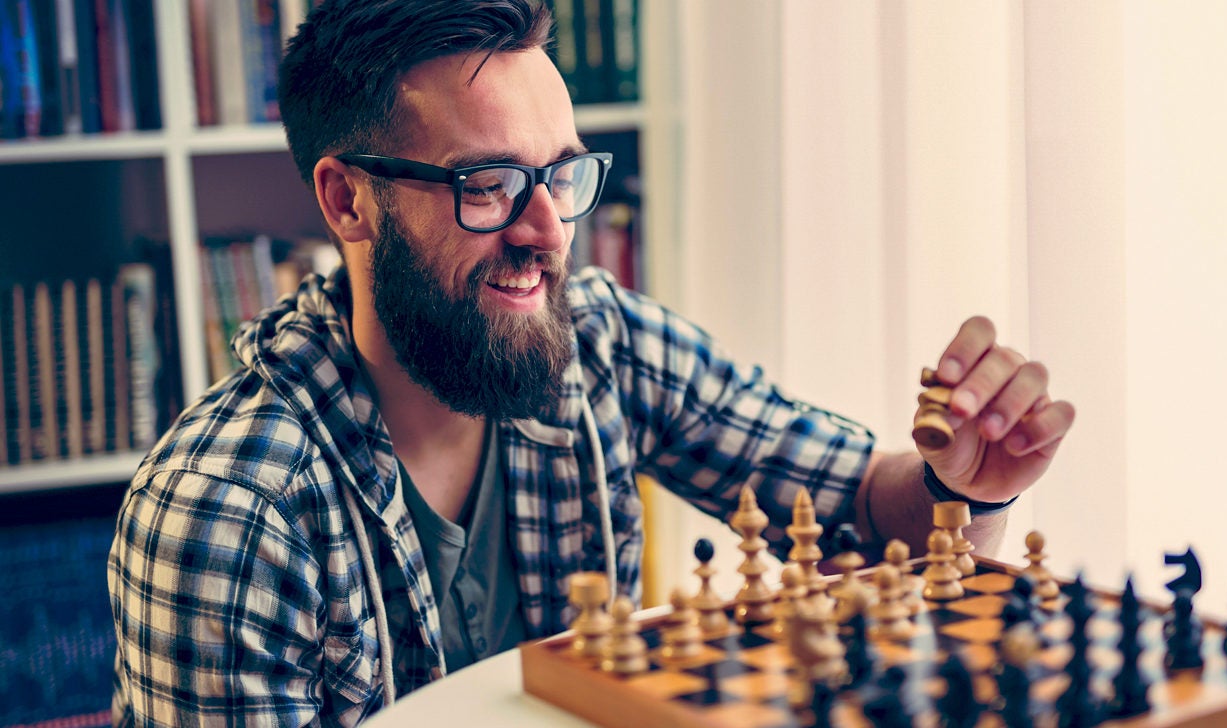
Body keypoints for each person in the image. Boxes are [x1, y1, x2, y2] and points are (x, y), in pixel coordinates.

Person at [107, 0, 1075, 725]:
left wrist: (960, 486)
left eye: (560, 175)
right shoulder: (224, 517)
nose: (548, 233)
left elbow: (861, 514)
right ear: (348, 201)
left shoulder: (597, 341)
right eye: (488, 184)